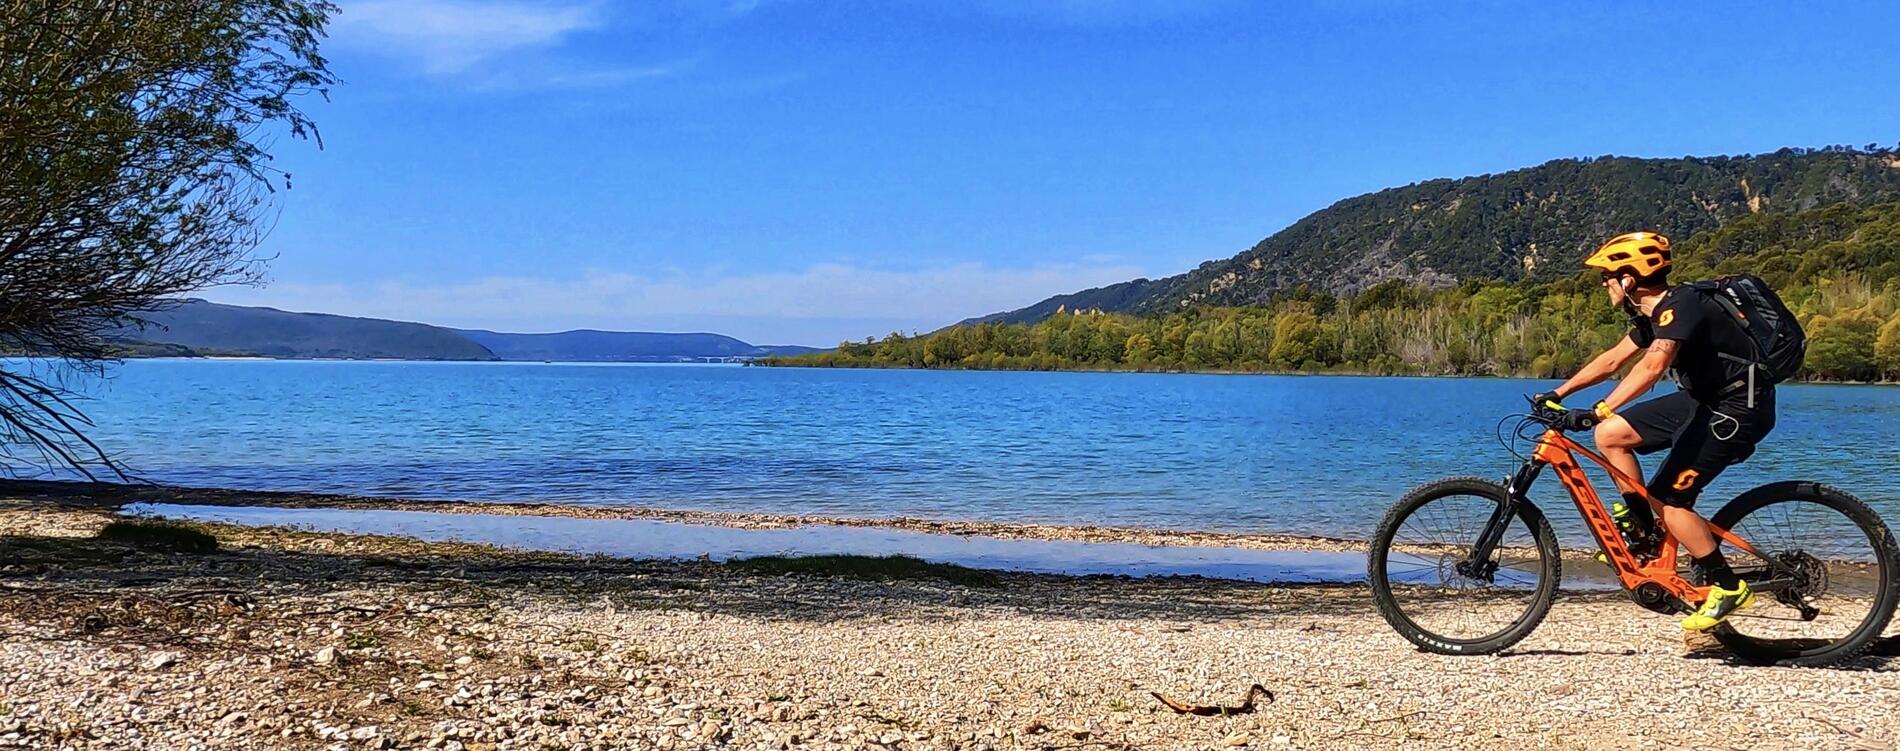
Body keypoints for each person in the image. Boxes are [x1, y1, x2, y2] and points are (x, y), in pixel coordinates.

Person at [1530, 231, 1775, 631]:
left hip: (1737, 408)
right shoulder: (1655, 315)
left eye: (1607, 277)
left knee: (1670, 499)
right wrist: (1558, 393)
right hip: (1702, 400)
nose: (1603, 284)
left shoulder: (1683, 305)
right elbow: (1613, 360)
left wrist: (1600, 409)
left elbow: (1652, 366)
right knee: (1610, 435)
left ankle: (1729, 586)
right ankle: (1645, 533)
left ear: (1629, 279)